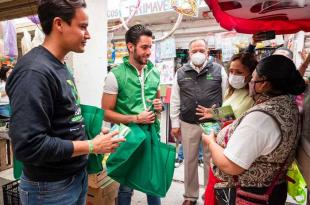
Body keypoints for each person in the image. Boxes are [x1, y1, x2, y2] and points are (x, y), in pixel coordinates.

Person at [6, 1, 124, 205]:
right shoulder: (34, 72)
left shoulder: (59, 65)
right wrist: (90, 145)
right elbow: (29, 146)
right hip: (49, 190)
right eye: (83, 26)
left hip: (74, 178)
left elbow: (63, 122)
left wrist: (93, 139)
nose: (88, 35)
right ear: (59, 24)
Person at [203, 55, 306, 205]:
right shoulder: (286, 104)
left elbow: (230, 165)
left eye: (252, 77)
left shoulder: (261, 118)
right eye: (231, 71)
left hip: (246, 193)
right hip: (267, 187)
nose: (249, 81)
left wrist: (211, 142)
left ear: (263, 83)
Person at [102, 24, 162, 205]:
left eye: (150, 47)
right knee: (126, 185)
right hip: (128, 137)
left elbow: (156, 103)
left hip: (151, 135)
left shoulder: (154, 72)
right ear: (130, 46)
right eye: (144, 47)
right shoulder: (115, 76)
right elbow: (105, 113)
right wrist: (135, 118)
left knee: (153, 181)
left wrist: (158, 107)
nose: (148, 51)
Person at [170, 38, 227, 205]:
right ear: (189, 53)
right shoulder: (181, 72)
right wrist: (175, 124)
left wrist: (218, 115)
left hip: (212, 124)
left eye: (201, 50)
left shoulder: (219, 71)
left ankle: (208, 196)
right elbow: (175, 99)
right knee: (189, 160)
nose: (198, 53)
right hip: (188, 123)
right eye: (194, 51)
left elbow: (227, 98)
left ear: (207, 52)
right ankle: (190, 195)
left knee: (212, 161)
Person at [196, 52, 257, 205]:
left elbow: (239, 118)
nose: (233, 75)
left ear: (251, 74)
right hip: (220, 149)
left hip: (233, 155)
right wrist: (214, 114)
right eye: (231, 71)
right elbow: (231, 112)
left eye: (239, 72)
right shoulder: (232, 91)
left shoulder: (254, 96)